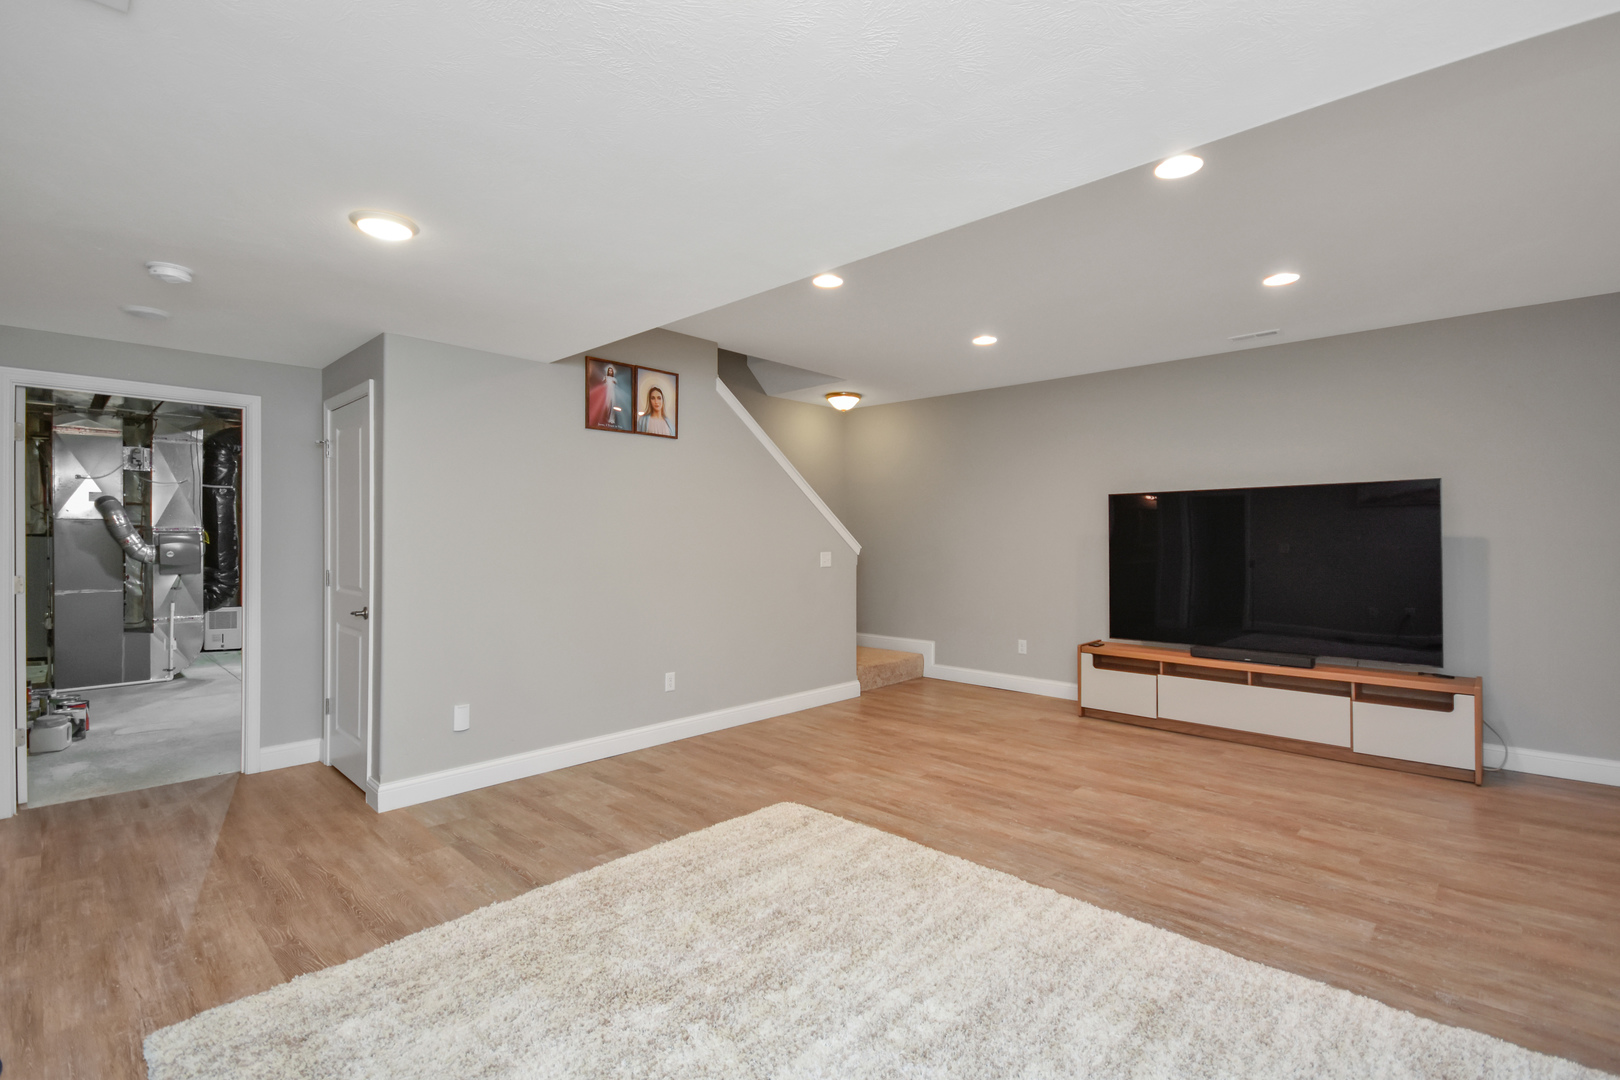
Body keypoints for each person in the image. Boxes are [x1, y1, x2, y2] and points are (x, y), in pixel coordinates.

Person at [587, 364, 623, 429]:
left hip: (612, 393)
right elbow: (603, 385)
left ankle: (611, 419)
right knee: (607, 405)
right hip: (607, 393)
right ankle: (606, 418)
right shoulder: (605, 377)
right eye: (609, 371)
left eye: (611, 371)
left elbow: (615, 385)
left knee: (612, 405)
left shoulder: (614, 379)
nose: (610, 372)